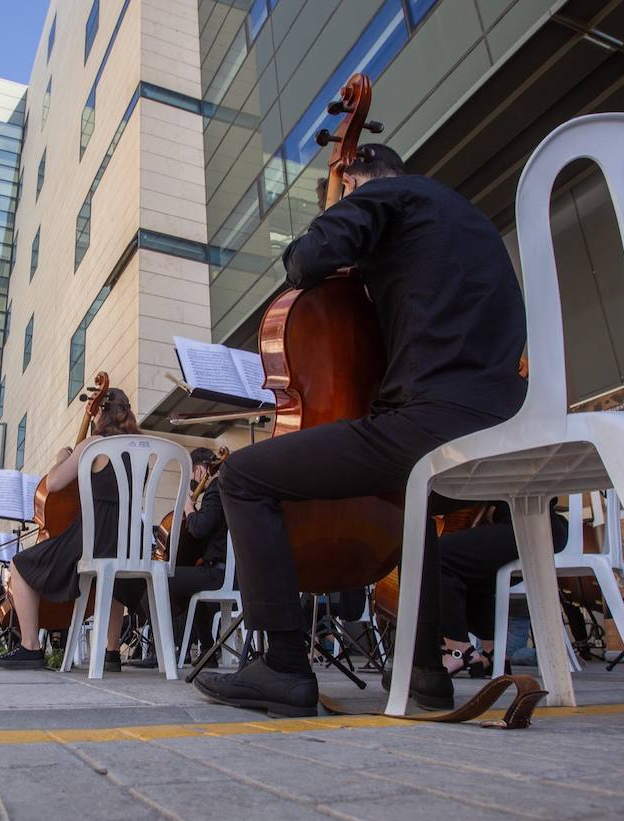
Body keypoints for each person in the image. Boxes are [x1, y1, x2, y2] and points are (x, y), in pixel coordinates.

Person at [194, 144, 527, 716]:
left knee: (243, 475)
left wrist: (339, 213)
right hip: (508, 426)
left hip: (431, 422)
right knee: (413, 500)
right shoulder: (466, 218)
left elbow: (305, 261)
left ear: (354, 181)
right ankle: (427, 674)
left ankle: (282, 666)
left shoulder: (383, 195)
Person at [0, 388, 148, 671]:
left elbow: (53, 484)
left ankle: (30, 646)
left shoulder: (93, 445)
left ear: (99, 413)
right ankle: (112, 652)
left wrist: (63, 457)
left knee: (19, 565)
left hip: (94, 537)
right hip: (130, 541)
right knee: (114, 578)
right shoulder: (140, 450)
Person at [436, 503, 568, 675]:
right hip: (535, 524)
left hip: (527, 526)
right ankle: (492, 652)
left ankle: (458, 650)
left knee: (436, 554)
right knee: (469, 564)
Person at [136, 447, 229, 667]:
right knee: (187, 586)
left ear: (199, 470)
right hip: (223, 570)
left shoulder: (215, 489)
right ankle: (206, 650)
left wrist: (188, 507)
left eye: (190, 475)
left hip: (218, 573)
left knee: (157, 579)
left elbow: (199, 528)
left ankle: (165, 650)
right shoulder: (224, 490)